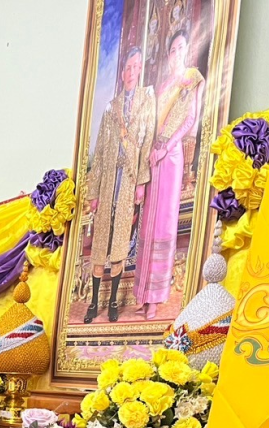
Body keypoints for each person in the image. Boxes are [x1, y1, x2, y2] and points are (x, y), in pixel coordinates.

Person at [133, 29, 205, 320]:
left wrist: (167, 147)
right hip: (153, 158)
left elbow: (190, 118)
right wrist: (151, 151)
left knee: (163, 224)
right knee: (147, 225)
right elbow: (150, 124)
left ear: (187, 50)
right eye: (172, 49)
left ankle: (156, 298)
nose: (176, 54)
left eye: (180, 48)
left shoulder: (192, 79)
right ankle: (142, 292)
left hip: (172, 157)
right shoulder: (163, 87)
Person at [84, 46, 156, 324]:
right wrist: (93, 192)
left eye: (135, 67)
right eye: (127, 67)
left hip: (127, 182)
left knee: (120, 239)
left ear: (140, 70)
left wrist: (141, 180)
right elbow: (101, 151)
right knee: (101, 238)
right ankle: (93, 302)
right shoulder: (111, 108)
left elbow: (147, 140)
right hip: (107, 184)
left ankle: (113, 301)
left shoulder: (145, 102)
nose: (130, 72)